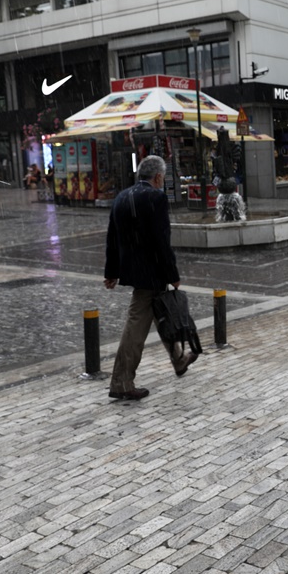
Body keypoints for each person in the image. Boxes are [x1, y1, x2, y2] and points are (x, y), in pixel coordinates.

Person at [103, 155, 185, 401]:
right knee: (136, 325)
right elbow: (162, 240)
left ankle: (180, 360)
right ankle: (121, 382)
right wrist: (173, 274)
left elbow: (112, 238)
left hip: (133, 269)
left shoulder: (121, 197)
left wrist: (112, 272)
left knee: (163, 315)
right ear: (158, 177)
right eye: (163, 178)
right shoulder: (156, 197)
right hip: (152, 272)